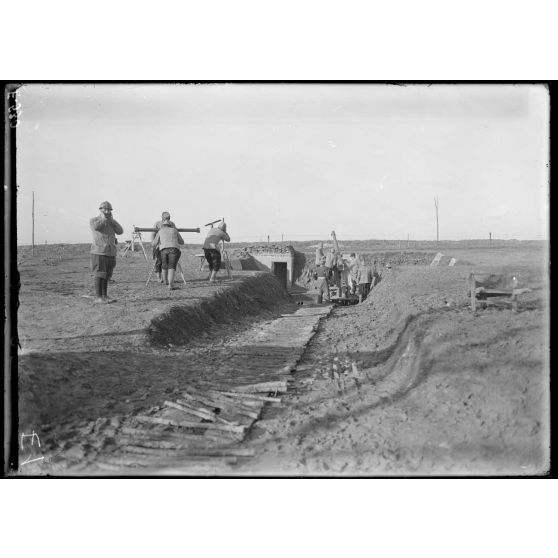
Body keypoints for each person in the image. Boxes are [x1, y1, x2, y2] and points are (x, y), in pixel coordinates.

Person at [90, 201, 123, 303]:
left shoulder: (111, 221)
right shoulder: (94, 220)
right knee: (99, 274)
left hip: (110, 252)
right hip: (99, 252)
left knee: (107, 275)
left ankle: (105, 296)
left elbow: (120, 231)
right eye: (105, 209)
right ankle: (98, 297)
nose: (107, 211)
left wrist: (112, 221)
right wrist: (104, 218)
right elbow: (96, 227)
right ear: (100, 210)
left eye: (109, 210)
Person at [152, 215, 184, 290]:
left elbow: (154, 243)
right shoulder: (174, 230)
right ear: (170, 225)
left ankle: (165, 281)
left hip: (163, 250)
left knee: (164, 265)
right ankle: (170, 285)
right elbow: (182, 242)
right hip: (174, 249)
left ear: (162, 225)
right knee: (171, 267)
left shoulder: (160, 231)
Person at [152, 211, 176, 282]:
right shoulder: (157, 223)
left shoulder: (172, 224)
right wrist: (154, 245)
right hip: (159, 245)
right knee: (159, 261)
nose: (167, 219)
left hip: (169, 246)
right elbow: (153, 234)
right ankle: (159, 278)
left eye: (168, 218)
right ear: (162, 217)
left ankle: (166, 278)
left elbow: (175, 233)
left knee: (168, 262)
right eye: (166, 218)